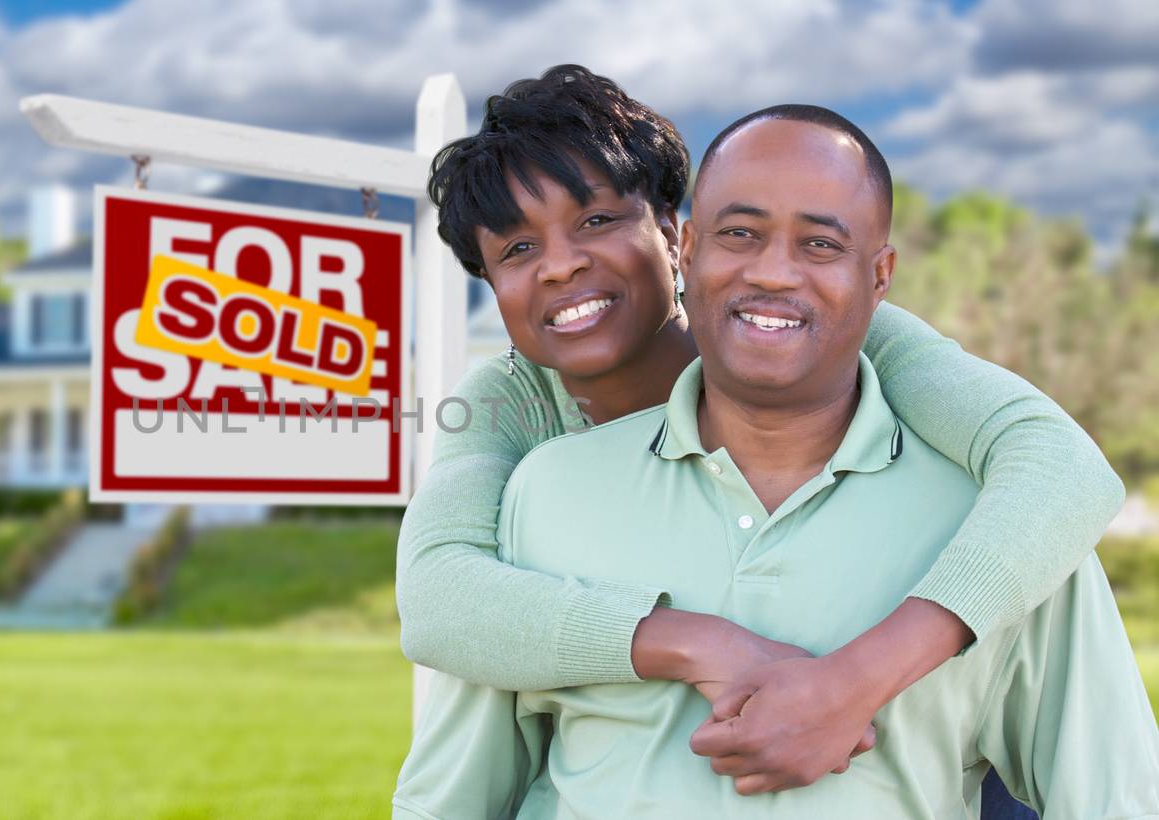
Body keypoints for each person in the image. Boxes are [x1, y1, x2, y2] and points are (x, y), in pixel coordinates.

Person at [392, 65, 1126, 814]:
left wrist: (853, 683)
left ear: (673, 236)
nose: (562, 264)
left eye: (595, 220)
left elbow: (1061, 466)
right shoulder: (514, 424)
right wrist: (696, 642)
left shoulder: (851, 336)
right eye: (515, 251)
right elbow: (440, 598)